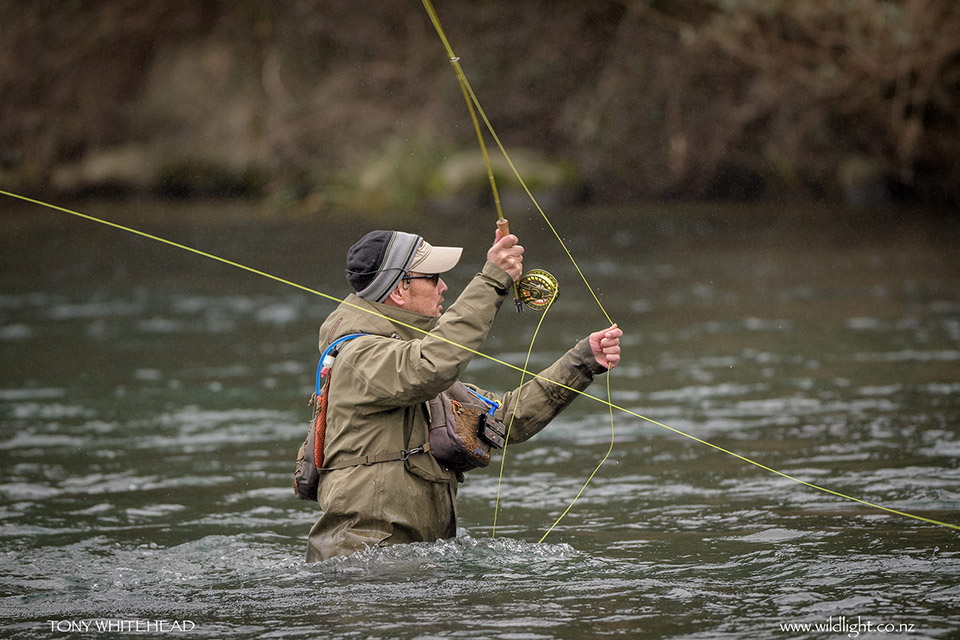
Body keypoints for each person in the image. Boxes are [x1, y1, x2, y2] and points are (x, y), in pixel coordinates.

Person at [305, 227, 622, 562]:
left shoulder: (404, 362)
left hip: (408, 566)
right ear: (399, 290)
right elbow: (431, 365)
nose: (444, 286)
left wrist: (583, 361)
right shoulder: (363, 358)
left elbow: (503, 419)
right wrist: (493, 280)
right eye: (434, 277)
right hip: (358, 574)